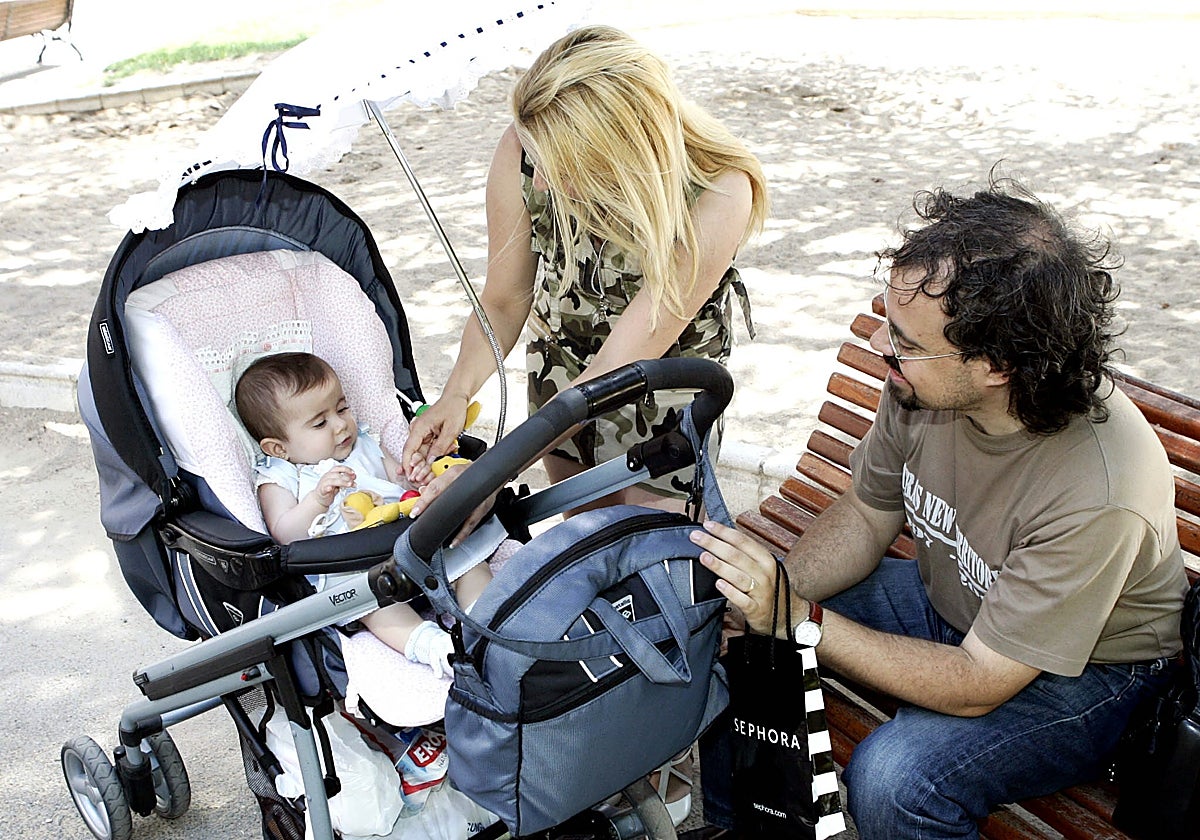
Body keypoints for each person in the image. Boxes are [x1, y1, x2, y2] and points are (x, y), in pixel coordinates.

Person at [685, 176, 1189, 839]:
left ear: (998, 365)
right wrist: (761, 604)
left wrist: (797, 618)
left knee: (897, 780)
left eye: (906, 342)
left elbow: (979, 681)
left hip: (1089, 673)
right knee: (735, 641)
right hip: (957, 601)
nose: (881, 346)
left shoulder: (1098, 491)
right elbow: (866, 515)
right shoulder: (926, 386)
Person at [400, 24, 768, 513]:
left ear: (623, 145)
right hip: (561, 372)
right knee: (580, 539)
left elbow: (619, 363)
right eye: (538, 158)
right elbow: (504, 301)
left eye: (564, 163)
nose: (542, 181)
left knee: (653, 545)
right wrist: (456, 395)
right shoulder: (525, 145)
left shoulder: (719, 190)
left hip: (666, 393)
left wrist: (488, 476)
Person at [235, 352, 493, 679]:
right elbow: (284, 534)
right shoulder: (281, 476)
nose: (341, 424)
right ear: (278, 448)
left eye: (342, 408)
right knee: (371, 607)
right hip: (352, 566)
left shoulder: (365, 442)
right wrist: (318, 500)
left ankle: (487, 621)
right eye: (320, 423)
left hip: (410, 539)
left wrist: (415, 477)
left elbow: (398, 482)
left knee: (468, 561)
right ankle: (434, 648)